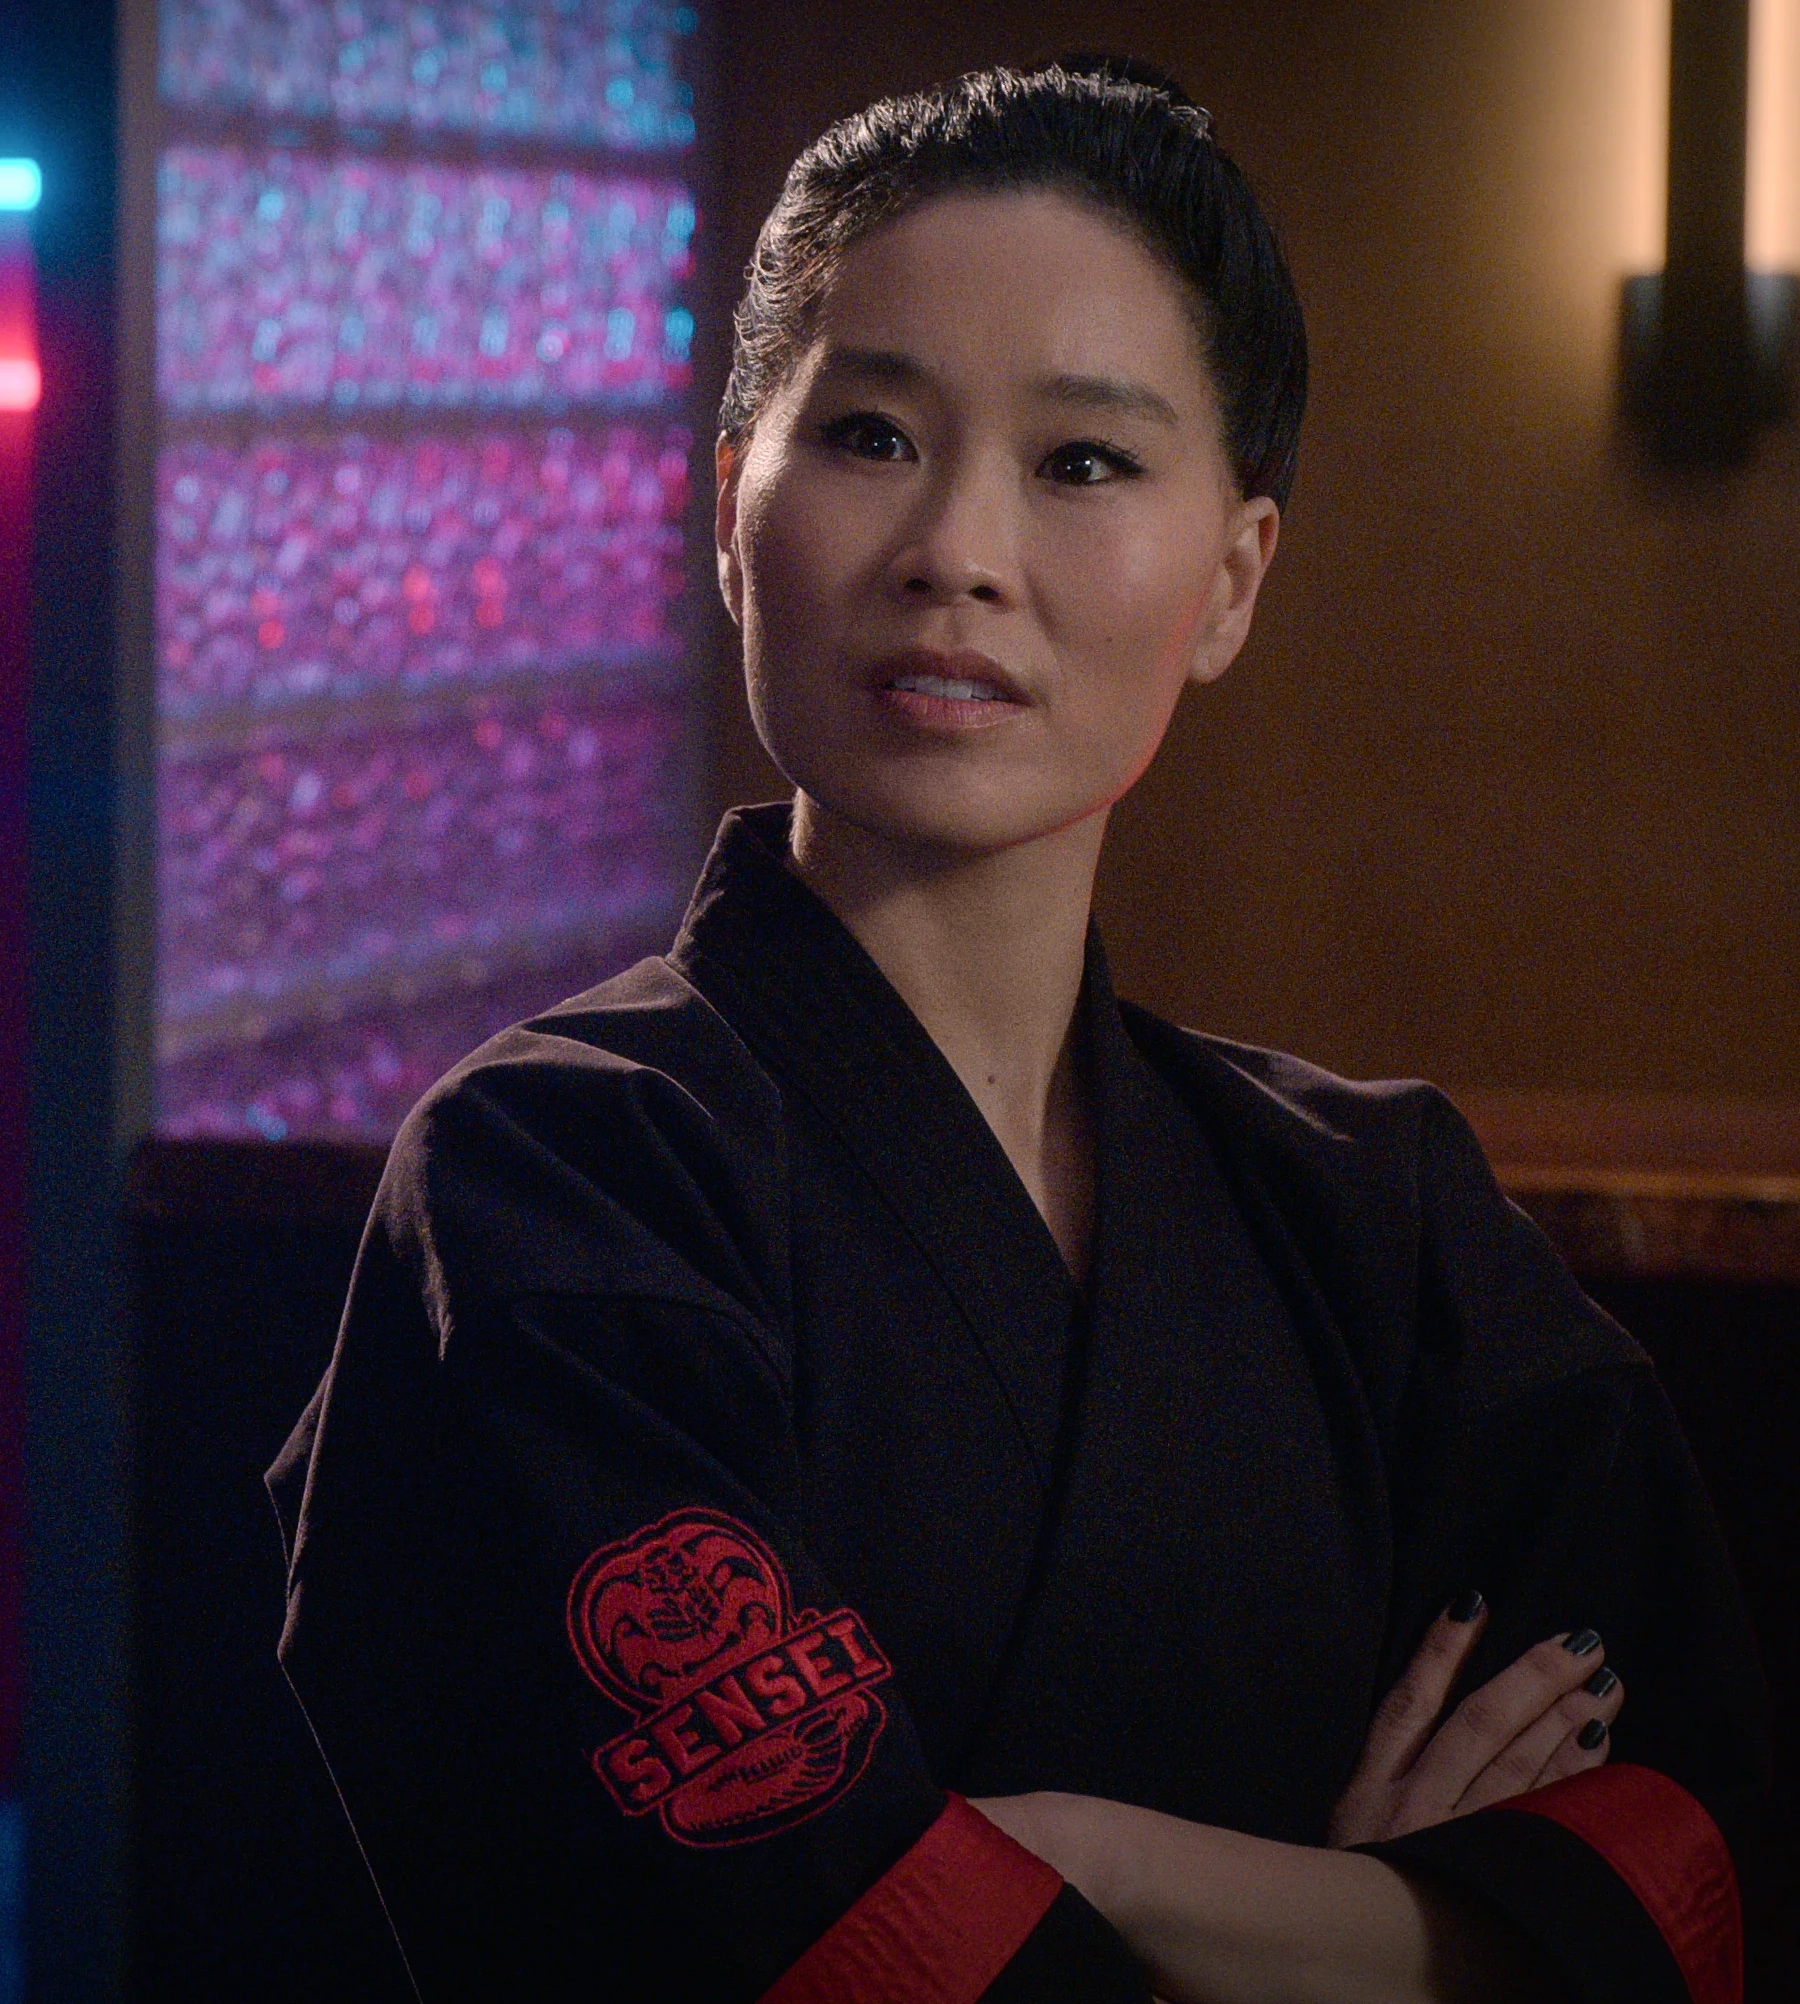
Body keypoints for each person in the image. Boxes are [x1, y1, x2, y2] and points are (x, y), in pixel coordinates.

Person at [268, 61, 1771, 2004]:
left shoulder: (1379, 1219)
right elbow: (764, 1931)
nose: (956, 550)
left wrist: (1097, 1862)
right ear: (729, 515)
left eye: (1083, 462)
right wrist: (1396, 1931)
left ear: (1231, 581)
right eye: (872, 434)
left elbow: (1696, 1848)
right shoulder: (560, 1179)